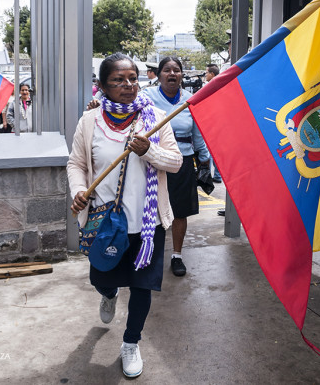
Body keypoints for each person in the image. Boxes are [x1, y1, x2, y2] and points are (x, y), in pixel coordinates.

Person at [67, 53, 182, 378]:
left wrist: (151, 151)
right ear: (102, 86)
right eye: (119, 80)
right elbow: (76, 164)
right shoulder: (90, 122)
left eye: (132, 78)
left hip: (147, 229)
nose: (128, 85)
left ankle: (131, 343)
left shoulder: (156, 118)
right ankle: (108, 293)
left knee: (142, 288)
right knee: (101, 279)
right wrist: (79, 189)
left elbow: (175, 162)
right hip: (104, 225)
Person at [142, 57, 211, 277]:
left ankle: (177, 255)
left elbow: (197, 133)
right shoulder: (147, 97)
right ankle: (149, 252)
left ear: (182, 75)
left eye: (177, 70)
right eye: (167, 70)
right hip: (153, 160)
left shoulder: (191, 100)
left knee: (180, 211)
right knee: (152, 208)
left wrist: (204, 158)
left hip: (182, 162)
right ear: (159, 74)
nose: (172, 74)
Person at [203, 64, 222, 183]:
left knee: (209, 149)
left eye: (206, 73)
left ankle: (210, 175)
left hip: (212, 122)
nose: (205, 75)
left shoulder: (212, 86)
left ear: (212, 74)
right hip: (218, 122)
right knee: (217, 150)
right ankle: (217, 175)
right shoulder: (220, 84)